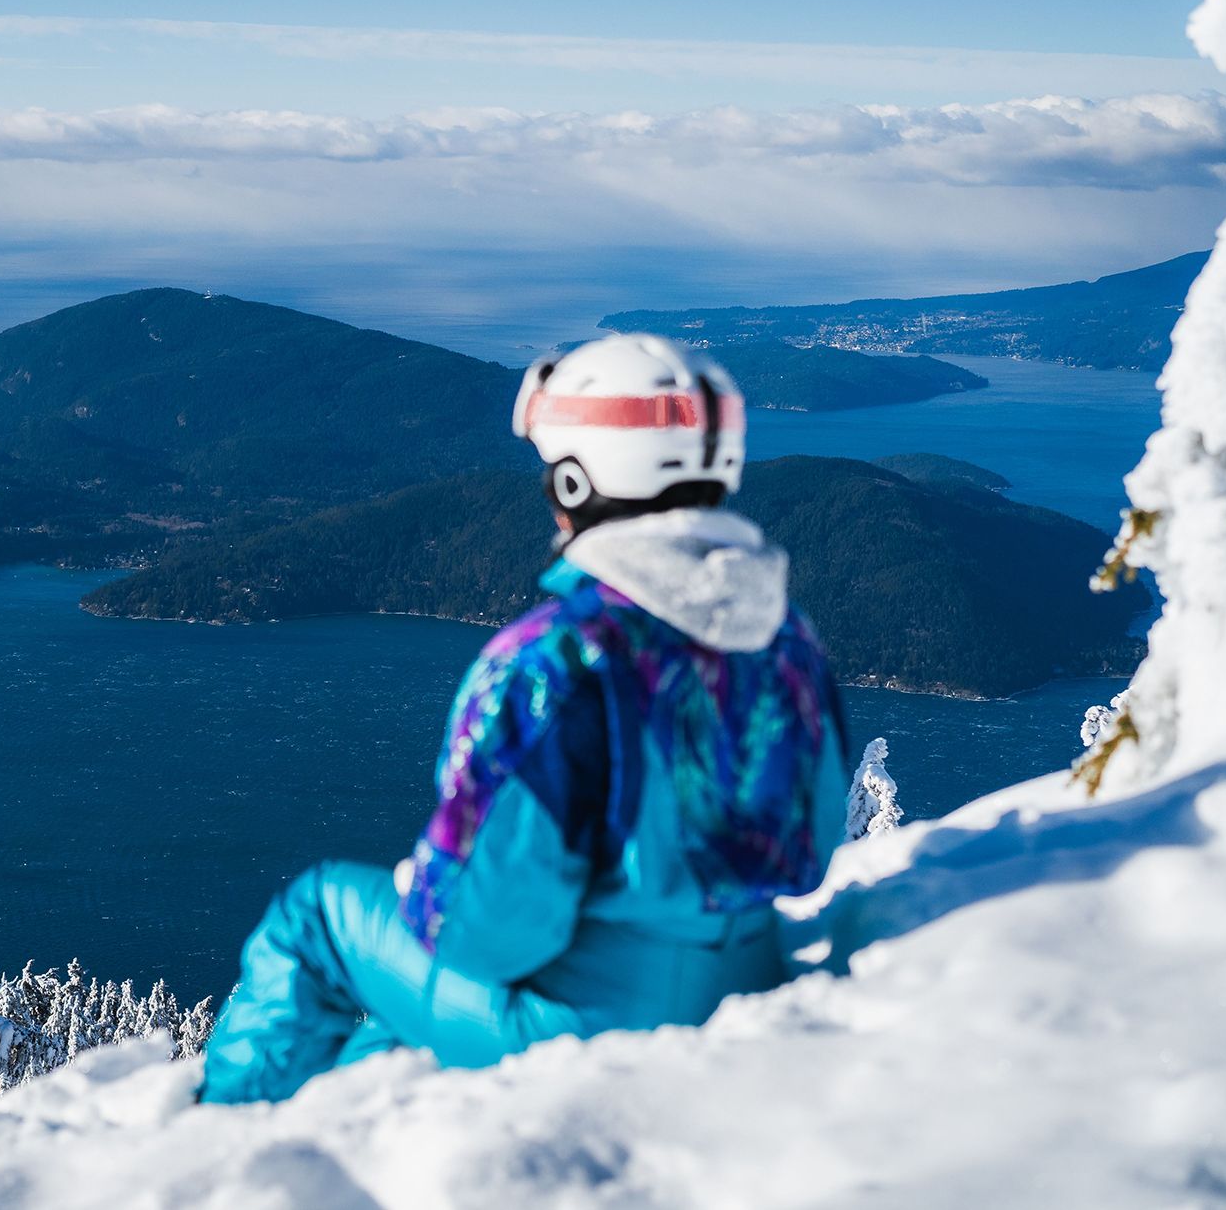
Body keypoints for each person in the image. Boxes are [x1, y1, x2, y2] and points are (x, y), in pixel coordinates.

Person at [198, 334, 850, 1104]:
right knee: (383, 1034)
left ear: (580, 478)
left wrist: (430, 895)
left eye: (554, 475)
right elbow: (817, 841)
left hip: (583, 1028)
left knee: (317, 915)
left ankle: (217, 1140)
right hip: (746, 987)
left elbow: (488, 935)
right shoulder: (785, 641)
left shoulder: (555, 661)